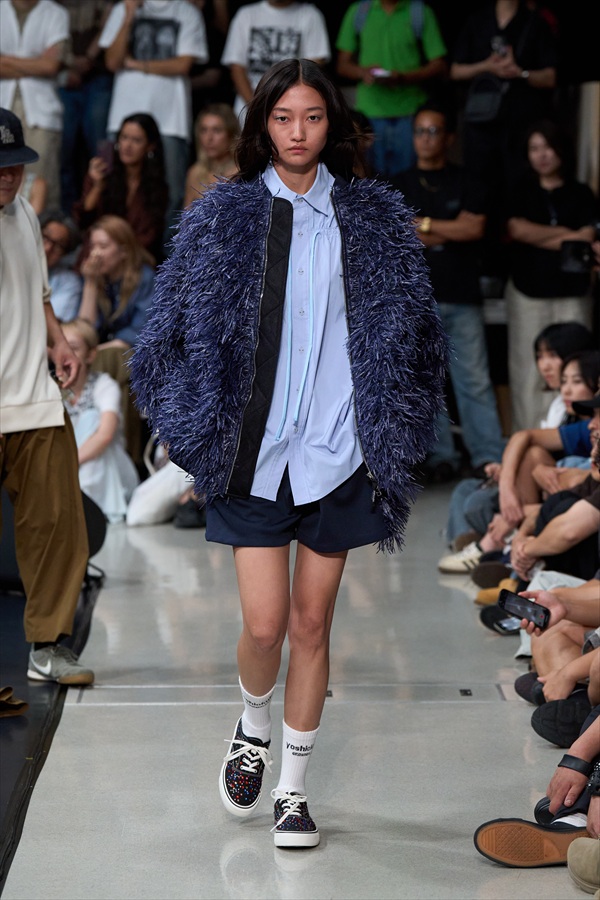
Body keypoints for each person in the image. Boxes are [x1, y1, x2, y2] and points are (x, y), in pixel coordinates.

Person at [130, 58, 448, 847]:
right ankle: (252, 722)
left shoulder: (372, 219)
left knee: (312, 625)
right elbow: (161, 337)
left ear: (331, 124)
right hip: (255, 453)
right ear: (262, 125)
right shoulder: (225, 215)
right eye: (282, 117)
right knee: (266, 626)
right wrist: (194, 431)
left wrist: (392, 434)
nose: (298, 132)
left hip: (338, 453)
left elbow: (421, 337)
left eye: (312, 116)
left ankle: (294, 791)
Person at [0, 107, 93, 685]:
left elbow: (38, 294)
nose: (7, 176)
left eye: (14, 165)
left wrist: (58, 341)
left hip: (34, 398)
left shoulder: (26, 214)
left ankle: (48, 646)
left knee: (57, 523)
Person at [391, 100, 505, 482]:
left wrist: (423, 225)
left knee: (474, 380)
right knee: (426, 381)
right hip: (417, 298)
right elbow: (399, 234)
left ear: (450, 137)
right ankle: (442, 457)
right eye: (419, 131)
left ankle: (488, 456)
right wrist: (447, 228)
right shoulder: (398, 183)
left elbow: (474, 229)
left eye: (434, 131)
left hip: (462, 293)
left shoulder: (467, 179)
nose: (425, 138)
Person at [504, 118, 598, 431]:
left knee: (575, 366)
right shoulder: (520, 191)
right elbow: (517, 229)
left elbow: (588, 236)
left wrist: (539, 235)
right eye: (535, 148)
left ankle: (574, 435)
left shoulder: (581, 193)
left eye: (548, 147)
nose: (542, 155)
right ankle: (529, 436)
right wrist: (569, 236)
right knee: (529, 370)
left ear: (561, 149)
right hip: (528, 291)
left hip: (573, 291)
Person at [99, 0, 209, 237]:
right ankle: (117, 248)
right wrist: (129, 17)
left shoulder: (187, 12)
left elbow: (183, 64)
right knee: (115, 186)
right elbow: (112, 62)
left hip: (171, 119)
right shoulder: (123, 9)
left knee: (172, 193)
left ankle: (166, 256)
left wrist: (135, 63)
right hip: (123, 116)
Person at [449, 0, 557, 213]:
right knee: (480, 187)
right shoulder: (477, 20)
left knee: (520, 185)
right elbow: (455, 71)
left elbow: (550, 77)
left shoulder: (535, 22)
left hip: (521, 122)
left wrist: (520, 72)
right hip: (481, 123)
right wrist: (486, 66)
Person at [335, 0, 447, 178]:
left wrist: (403, 78)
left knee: (407, 182)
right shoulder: (359, 12)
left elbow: (439, 65)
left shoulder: (419, 12)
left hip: (409, 112)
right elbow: (342, 65)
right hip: (369, 115)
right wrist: (363, 72)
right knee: (368, 181)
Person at [61, 318, 139, 523]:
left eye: (74, 348)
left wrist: (67, 463)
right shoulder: (54, 390)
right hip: (71, 468)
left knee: (91, 418)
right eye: (61, 347)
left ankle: (86, 507)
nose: (66, 354)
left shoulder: (104, 385)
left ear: (91, 354)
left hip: (110, 468)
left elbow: (105, 436)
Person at [0, 0, 70, 209]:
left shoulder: (56, 13)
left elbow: (51, 65)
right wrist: (35, 63)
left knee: (42, 180)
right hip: (3, 103)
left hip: (41, 110)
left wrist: (5, 61)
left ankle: (39, 230)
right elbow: (44, 65)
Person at [74, 112, 169, 265]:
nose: (127, 146)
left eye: (136, 140)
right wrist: (98, 186)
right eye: (124, 138)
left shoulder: (157, 186)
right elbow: (83, 220)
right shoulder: (102, 172)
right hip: (97, 254)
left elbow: (150, 235)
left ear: (150, 146)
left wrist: (120, 254)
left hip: (134, 259)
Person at [221, 0, 331, 124]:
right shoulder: (246, 14)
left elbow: (313, 69)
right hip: (249, 110)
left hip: (294, 109)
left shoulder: (310, 15)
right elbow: (237, 68)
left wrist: (288, 108)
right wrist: (257, 108)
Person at [56, 0, 115, 216]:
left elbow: (109, 23)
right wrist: (70, 65)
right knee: (64, 148)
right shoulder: (54, 6)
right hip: (64, 76)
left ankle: (102, 209)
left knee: (100, 149)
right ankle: (68, 214)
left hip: (99, 75)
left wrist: (88, 58)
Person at [183, 102, 239, 207]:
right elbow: (186, 215)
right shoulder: (195, 173)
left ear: (231, 134)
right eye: (203, 130)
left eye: (217, 130)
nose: (209, 138)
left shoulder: (241, 174)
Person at [40, 208, 83, 322]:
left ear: (65, 254)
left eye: (58, 246)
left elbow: (52, 324)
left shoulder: (68, 282)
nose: (47, 248)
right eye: (45, 237)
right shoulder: (9, 262)